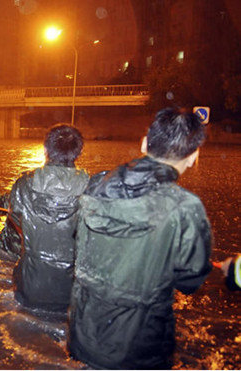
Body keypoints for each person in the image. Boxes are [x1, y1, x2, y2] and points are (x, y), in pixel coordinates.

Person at [68, 107, 212, 369]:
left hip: (84, 336)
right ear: (193, 156)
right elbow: (191, 281)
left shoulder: (96, 184)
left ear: (145, 143)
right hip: (140, 349)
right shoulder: (185, 207)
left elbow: (81, 241)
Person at [0, 124, 89, 315]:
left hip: (30, 285)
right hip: (74, 290)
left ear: (46, 149)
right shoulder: (94, 188)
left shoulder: (25, 184)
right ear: (79, 152)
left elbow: (5, 205)